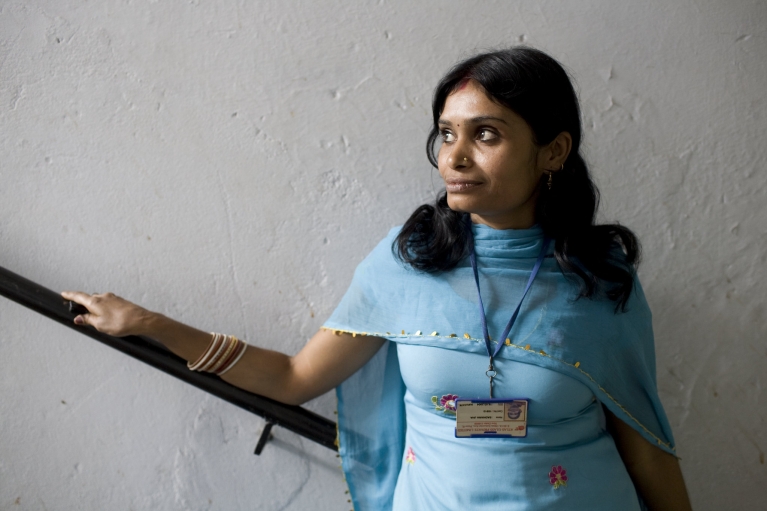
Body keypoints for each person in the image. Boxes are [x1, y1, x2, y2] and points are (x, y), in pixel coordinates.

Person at [62, 47, 692, 510]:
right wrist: (148, 324)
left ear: (553, 151)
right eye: (446, 133)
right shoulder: (411, 262)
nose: (454, 156)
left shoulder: (599, 284)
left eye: (486, 135)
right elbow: (292, 378)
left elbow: (648, 451)